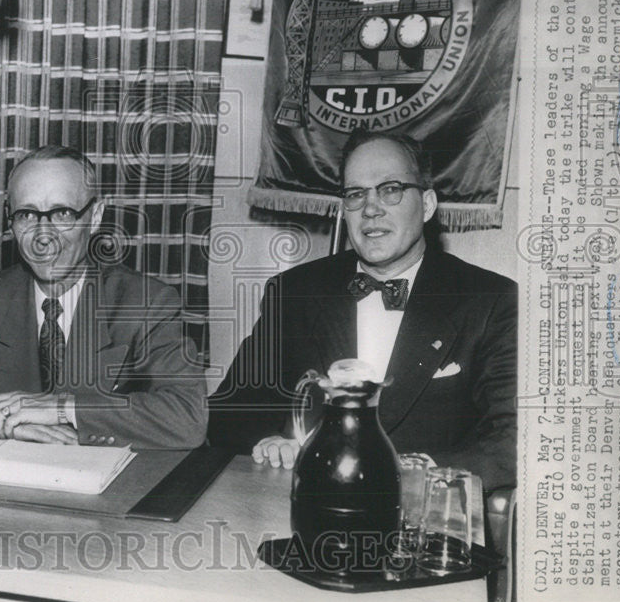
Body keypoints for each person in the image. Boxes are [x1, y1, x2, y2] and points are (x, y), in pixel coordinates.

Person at [207, 132, 517, 491]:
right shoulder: (294, 292)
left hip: (422, 517)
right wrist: (269, 442)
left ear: (428, 205)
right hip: (307, 510)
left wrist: (422, 472)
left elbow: (513, 439)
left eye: (391, 189)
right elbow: (230, 411)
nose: (371, 208)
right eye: (356, 194)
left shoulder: (490, 300)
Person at [0, 145, 206, 449]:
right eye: (26, 214)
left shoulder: (145, 302)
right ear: (10, 219)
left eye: (62, 214)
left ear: (94, 216)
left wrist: (64, 408)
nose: (43, 236)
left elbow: (187, 416)